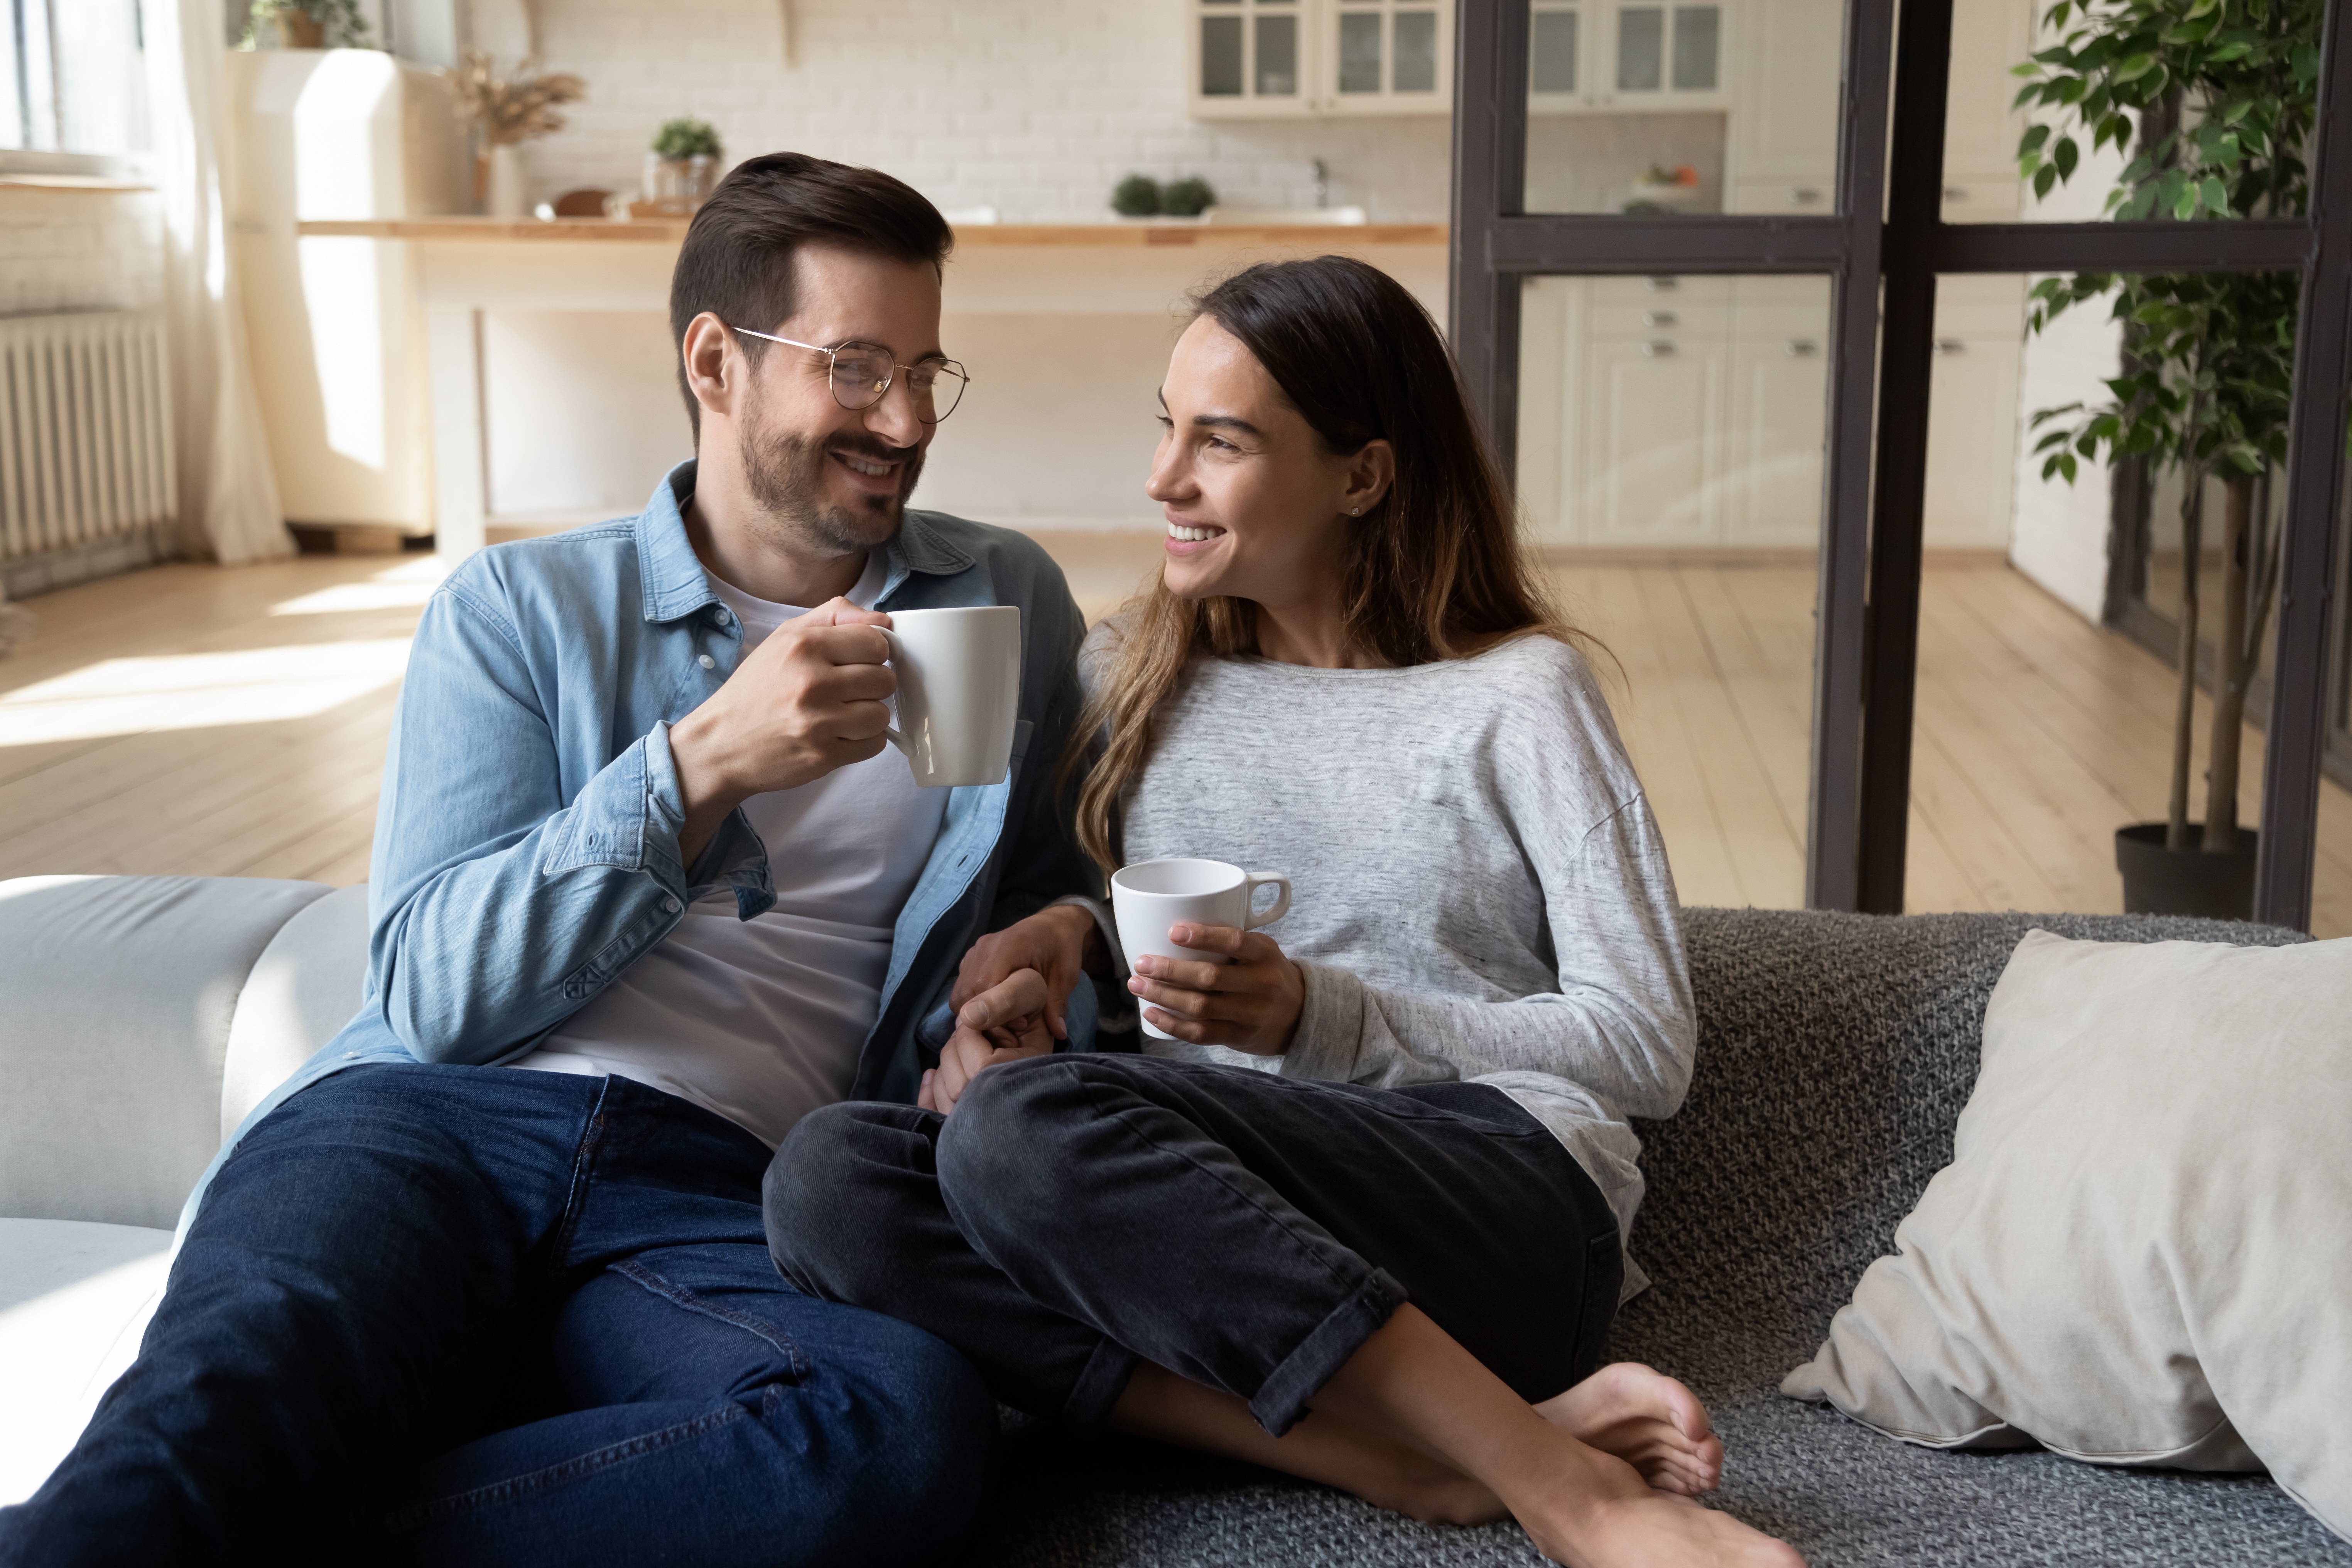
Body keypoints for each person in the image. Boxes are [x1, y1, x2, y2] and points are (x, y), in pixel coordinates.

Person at [0, 154, 1093, 1567]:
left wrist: (1054, 939)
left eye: (927, 373)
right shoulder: (519, 608)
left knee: (889, 1425)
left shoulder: (998, 593)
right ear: (715, 360)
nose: (901, 422)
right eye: (857, 368)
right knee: (216, 1414)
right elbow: (439, 992)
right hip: (426, 1124)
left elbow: (1060, 877)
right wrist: (697, 766)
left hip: (728, 1183)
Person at [765, 255, 1806, 1568]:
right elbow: (1109, 936)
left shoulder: (1520, 697)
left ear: (1362, 475)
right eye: (1165, 424)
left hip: (1495, 1200)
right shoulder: (1134, 671)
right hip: (1218, 1245)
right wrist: (1063, 952)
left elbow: (1648, 1047)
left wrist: (1326, 1012)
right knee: (830, 1178)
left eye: (1222, 441)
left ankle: (1572, 1491)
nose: (1162, 479)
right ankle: (1404, 1459)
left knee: (1024, 1131)